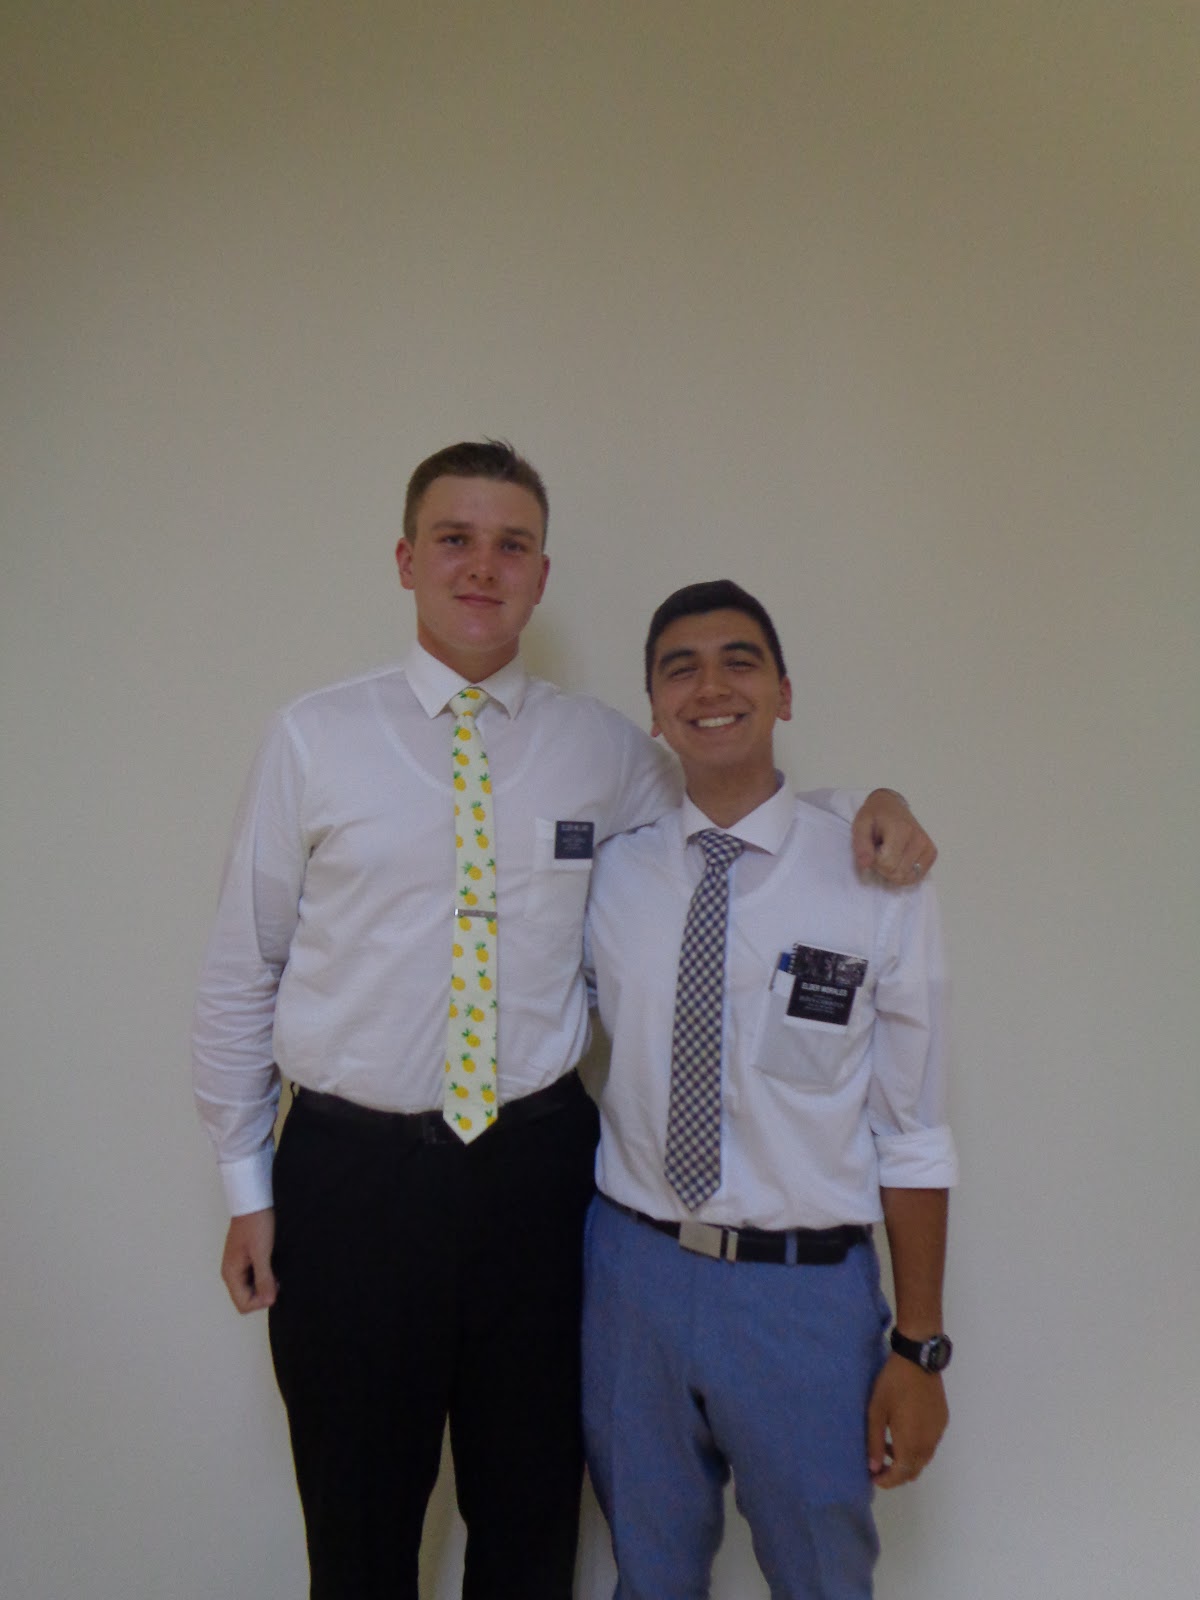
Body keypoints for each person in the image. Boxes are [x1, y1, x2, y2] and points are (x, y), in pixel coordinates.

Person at [192, 444, 938, 1600]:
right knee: (358, 1520)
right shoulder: (313, 738)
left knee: (532, 1517)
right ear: (406, 559)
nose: (482, 566)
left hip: (539, 1182)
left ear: (542, 574)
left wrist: (866, 808)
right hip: (351, 1180)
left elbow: (732, 801)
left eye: (512, 545)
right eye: (455, 539)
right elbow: (243, 968)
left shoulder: (603, 750)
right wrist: (248, 1184)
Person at [582, 579, 957, 1600]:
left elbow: (914, 1130)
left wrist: (920, 1348)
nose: (711, 687)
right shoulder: (611, 874)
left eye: (739, 661)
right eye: (681, 669)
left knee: (822, 1579)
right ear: (654, 710)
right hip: (631, 1278)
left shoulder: (876, 874)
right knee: (647, 1575)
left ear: (784, 693)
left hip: (802, 1296)